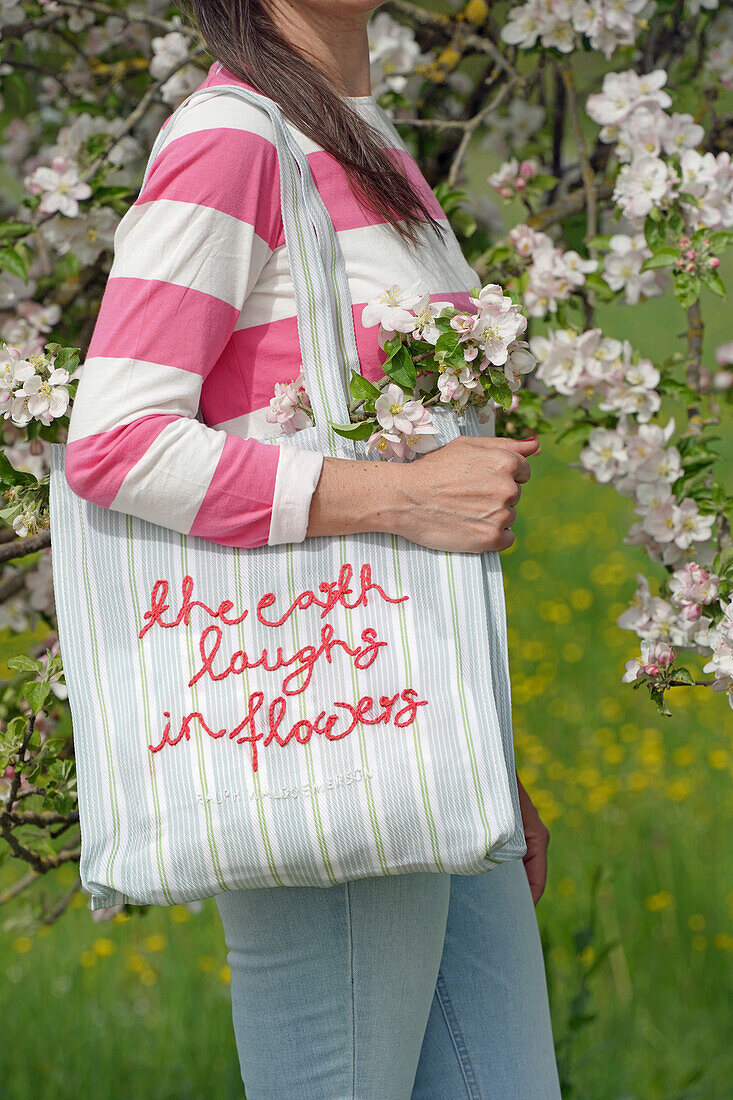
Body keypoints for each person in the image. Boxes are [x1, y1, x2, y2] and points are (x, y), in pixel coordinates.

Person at [64, 0, 561, 1096]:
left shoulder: (360, 138)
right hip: (313, 720)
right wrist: (399, 498)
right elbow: (115, 439)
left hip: (419, 727)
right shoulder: (231, 138)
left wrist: (488, 748)